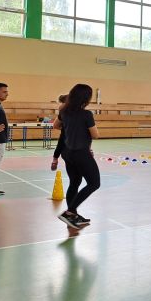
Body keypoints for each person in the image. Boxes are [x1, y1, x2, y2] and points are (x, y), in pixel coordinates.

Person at [53, 84, 100, 229]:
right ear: (86, 98)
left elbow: (56, 125)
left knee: (74, 182)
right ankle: (70, 212)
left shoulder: (64, 112)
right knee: (94, 183)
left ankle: (72, 215)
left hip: (67, 153)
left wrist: (71, 128)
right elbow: (95, 135)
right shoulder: (86, 114)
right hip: (81, 153)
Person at [50, 94, 67, 171]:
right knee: (61, 144)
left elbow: (56, 125)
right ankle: (55, 159)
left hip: (65, 129)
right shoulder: (63, 107)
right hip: (66, 129)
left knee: (60, 145)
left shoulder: (62, 107)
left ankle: (55, 159)